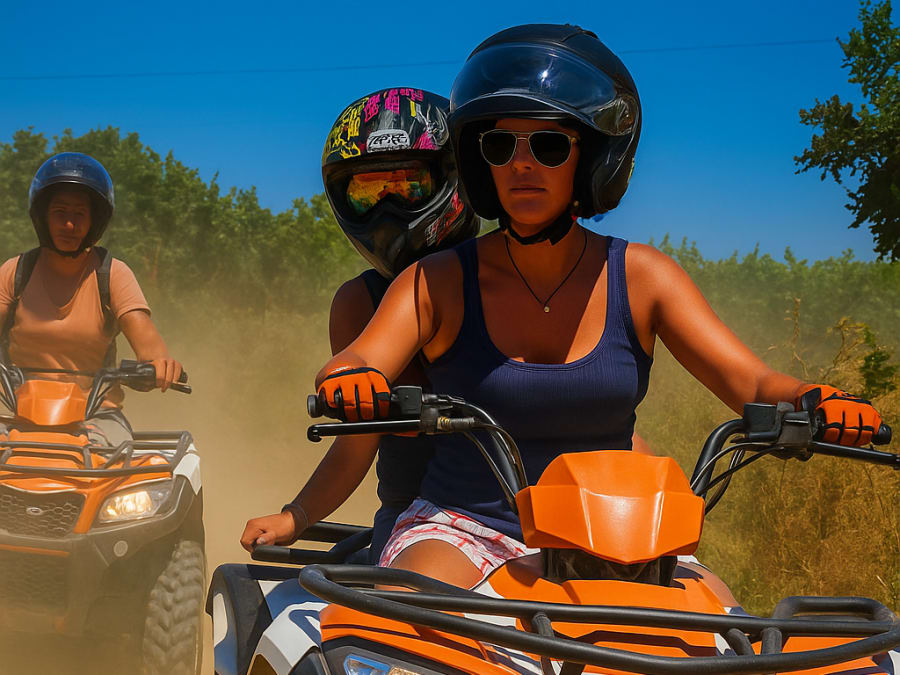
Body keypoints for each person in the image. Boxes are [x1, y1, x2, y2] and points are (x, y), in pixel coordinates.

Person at [314, 25, 885, 589]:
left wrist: (820, 400)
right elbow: (359, 358)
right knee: (408, 624)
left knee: (720, 627)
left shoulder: (644, 277)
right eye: (498, 145)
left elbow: (752, 382)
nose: (521, 164)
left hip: (619, 535)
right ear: (478, 160)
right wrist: (351, 379)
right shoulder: (435, 280)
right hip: (465, 529)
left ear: (592, 159)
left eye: (549, 144)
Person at [240, 88, 480, 561]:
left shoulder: (507, 280)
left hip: (533, 516)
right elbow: (358, 441)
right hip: (418, 520)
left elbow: (586, 415)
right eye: (369, 191)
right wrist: (299, 515)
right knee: (387, 633)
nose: (389, 207)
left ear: (456, 180)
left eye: (409, 185)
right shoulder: (360, 302)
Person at [0, 152, 183, 447]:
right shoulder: (15, 272)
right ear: (42, 215)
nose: (69, 225)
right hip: (17, 413)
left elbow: (150, 346)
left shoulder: (111, 274)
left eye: (79, 214)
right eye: (60, 212)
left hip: (98, 415)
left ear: (95, 222)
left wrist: (160, 366)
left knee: (114, 468)